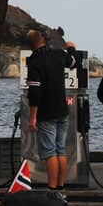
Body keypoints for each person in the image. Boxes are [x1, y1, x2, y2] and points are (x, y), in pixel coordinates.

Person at [25, 28, 72, 191]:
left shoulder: (34, 62)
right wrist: (71, 48)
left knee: (50, 152)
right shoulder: (59, 54)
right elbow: (73, 62)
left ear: (30, 46)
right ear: (43, 40)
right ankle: (61, 186)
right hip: (62, 110)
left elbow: (34, 93)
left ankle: (52, 189)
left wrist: (32, 118)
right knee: (61, 149)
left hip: (46, 113)